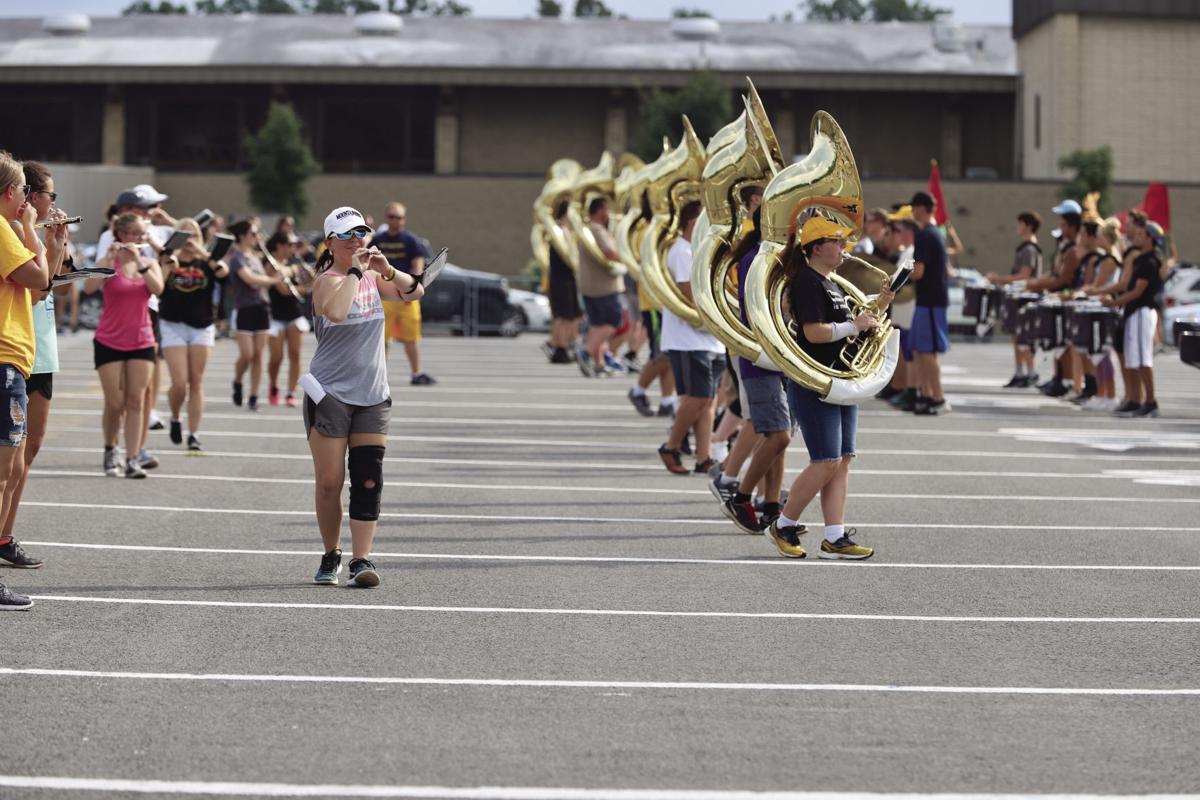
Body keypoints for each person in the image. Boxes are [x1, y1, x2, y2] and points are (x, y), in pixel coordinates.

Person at [306, 206, 423, 588]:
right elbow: (337, 312)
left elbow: (414, 292)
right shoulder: (327, 280)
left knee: (368, 478)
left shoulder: (374, 275)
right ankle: (331, 553)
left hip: (373, 394)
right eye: (348, 235)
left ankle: (361, 559)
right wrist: (357, 271)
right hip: (331, 394)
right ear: (330, 243)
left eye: (362, 232)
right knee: (329, 481)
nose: (358, 239)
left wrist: (387, 270)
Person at [765, 216, 893, 560]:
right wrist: (852, 325)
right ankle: (784, 524)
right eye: (836, 242)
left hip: (840, 380)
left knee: (843, 460)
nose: (843, 248)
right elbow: (814, 332)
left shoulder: (831, 282)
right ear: (817, 247)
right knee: (826, 461)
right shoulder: (808, 282)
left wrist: (880, 304)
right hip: (816, 382)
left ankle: (835, 537)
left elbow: (850, 325)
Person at [1, 161, 70, 571]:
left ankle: (5, 534)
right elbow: (38, 283)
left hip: (30, 348)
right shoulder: (10, 230)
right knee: (9, 460)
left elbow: (45, 281)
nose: (40, 202)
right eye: (41, 193)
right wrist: (35, 236)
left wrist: (56, 243)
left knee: (24, 452)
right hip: (13, 349)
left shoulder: (22, 232)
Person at [717, 205, 794, 533]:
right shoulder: (756, 260)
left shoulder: (778, 260)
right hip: (760, 358)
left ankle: (772, 505)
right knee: (778, 435)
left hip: (782, 357)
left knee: (781, 437)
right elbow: (760, 315)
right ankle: (741, 496)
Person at [0, 151, 51, 609]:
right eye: (20, 191)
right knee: (2, 472)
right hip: (3, 358)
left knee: (11, 468)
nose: (26, 200)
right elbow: (38, 277)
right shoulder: (1, 229)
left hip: (11, 359)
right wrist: (32, 229)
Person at [89, 213, 166, 478]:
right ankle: (111, 448)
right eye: (133, 233)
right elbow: (89, 287)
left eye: (142, 234)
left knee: (136, 400)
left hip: (142, 339)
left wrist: (140, 264)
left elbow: (158, 290)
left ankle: (133, 458)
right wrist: (109, 260)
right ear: (121, 235)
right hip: (109, 339)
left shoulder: (149, 263)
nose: (138, 239)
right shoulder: (110, 261)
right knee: (115, 402)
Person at [656, 200, 724, 476]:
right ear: (694, 225)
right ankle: (671, 445)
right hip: (688, 339)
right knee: (696, 398)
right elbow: (690, 293)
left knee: (709, 402)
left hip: (709, 339)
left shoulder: (700, 252)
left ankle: (703, 456)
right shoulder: (682, 252)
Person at [158, 217, 229, 451]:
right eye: (184, 235)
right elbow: (158, 282)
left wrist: (204, 253)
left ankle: (194, 434)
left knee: (196, 381)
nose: (189, 241)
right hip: (173, 324)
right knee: (179, 383)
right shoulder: (170, 259)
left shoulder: (207, 260)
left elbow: (223, 274)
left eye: (193, 235)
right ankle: (176, 416)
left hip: (202, 325)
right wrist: (170, 259)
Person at [369, 202, 435, 385]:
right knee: (382, 340)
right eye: (391, 216)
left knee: (411, 339)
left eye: (398, 217)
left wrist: (411, 290)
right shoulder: (378, 240)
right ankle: (379, 374)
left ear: (404, 219)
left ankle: (416, 373)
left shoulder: (411, 240)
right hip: (384, 296)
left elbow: (417, 266)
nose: (394, 220)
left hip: (406, 296)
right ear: (386, 218)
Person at [1105, 213, 1162, 418]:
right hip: (1134, 312)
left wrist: (1113, 302)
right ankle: (1139, 400)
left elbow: (1137, 291)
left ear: (1149, 238)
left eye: (1141, 234)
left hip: (1142, 311)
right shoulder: (1140, 258)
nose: (1136, 237)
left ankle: (1150, 400)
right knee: (1135, 359)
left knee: (1143, 359)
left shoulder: (1150, 261)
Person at [1026, 200, 1084, 397]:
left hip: (1070, 297)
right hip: (1063, 297)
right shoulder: (1066, 248)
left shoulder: (1075, 249)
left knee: (1067, 343)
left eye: (1063, 224)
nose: (1061, 228)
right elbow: (1055, 274)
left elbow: (1065, 279)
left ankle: (1068, 381)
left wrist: (1038, 284)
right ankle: (1061, 378)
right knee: (1060, 341)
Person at [228, 219, 285, 411]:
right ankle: (237, 380)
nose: (257, 237)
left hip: (262, 308)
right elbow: (249, 278)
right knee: (247, 354)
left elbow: (273, 269)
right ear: (243, 236)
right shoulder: (237, 258)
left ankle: (253, 396)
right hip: (244, 309)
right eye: (253, 234)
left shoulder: (256, 257)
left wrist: (282, 269)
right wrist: (272, 279)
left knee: (259, 356)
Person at [907, 191, 950, 415]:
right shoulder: (936, 233)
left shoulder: (925, 235)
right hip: (930, 300)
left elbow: (919, 272)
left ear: (922, 208)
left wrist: (901, 275)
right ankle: (926, 394)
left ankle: (938, 397)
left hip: (930, 301)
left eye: (914, 207)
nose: (913, 211)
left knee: (927, 352)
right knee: (920, 350)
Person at [989, 210, 1043, 388]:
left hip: (1025, 298)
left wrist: (998, 279)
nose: (1017, 227)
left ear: (1029, 226)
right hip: (1019, 297)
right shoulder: (1025, 247)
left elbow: (1024, 276)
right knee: (1016, 336)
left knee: (1023, 337)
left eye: (1020, 224)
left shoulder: (1029, 249)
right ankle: (1020, 372)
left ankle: (1031, 372)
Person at [575, 197, 626, 377]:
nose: (610, 213)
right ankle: (586, 351)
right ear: (601, 210)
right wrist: (628, 258)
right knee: (612, 323)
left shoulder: (586, 230)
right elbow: (610, 253)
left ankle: (599, 363)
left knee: (597, 324)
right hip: (604, 286)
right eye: (607, 209)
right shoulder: (597, 230)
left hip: (590, 285)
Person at [264, 232, 311, 407]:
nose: (294, 249)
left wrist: (309, 279)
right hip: (275, 316)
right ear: (280, 246)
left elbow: (309, 281)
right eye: (290, 245)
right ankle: (274, 385)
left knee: (295, 355)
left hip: (294, 314)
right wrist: (305, 288)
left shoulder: (295, 263)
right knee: (276, 357)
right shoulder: (270, 265)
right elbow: (284, 290)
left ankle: (291, 392)